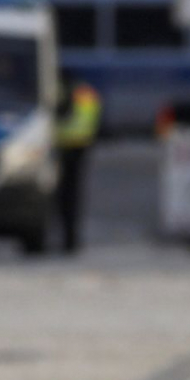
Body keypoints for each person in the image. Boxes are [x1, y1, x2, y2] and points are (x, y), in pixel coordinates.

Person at [53, 77, 103, 252]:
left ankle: (67, 240)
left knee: (63, 197)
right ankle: (71, 240)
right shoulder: (88, 94)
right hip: (81, 148)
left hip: (63, 148)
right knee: (73, 197)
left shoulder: (59, 92)